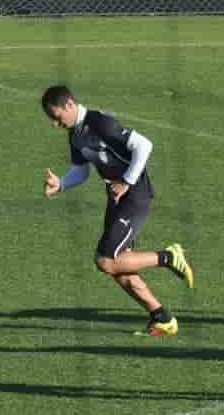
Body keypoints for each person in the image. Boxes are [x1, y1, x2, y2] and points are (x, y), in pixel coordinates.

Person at [40, 85, 193, 336]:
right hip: (117, 198)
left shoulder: (100, 123)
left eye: (57, 117)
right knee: (117, 265)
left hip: (135, 196)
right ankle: (162, 318)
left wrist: (128, 181)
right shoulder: (76, 134)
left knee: (105, 260)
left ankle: (168, 257)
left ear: (69, 104)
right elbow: (81, 169)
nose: (55, 124)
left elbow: (144, 145)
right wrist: (61, 184)